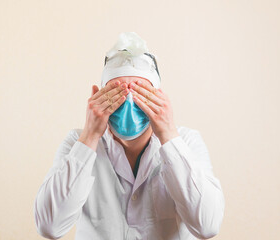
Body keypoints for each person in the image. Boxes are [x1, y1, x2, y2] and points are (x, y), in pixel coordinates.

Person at [33, 32, 225, 240]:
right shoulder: (76, 143)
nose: (129, 103)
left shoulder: (187, 141)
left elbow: (207, 226)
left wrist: (168, 135)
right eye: (117, 93)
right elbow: (49, 227)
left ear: (157, 97)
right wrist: (90, 136)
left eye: (141, 93)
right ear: (99, 95)